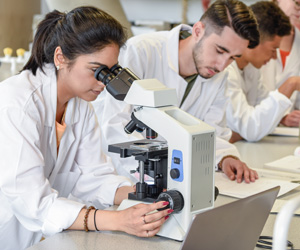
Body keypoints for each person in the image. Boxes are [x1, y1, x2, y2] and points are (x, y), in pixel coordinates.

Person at [0, 7, 171, 250]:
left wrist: (140, 193)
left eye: (109, 73)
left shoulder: (80, 105)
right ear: (60, 57)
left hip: (33, 238)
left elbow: (92, 176)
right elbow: (32, 202)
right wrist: (118, 220)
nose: (103, 83)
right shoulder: (16, 103)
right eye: (96, 70)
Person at [92, 0, 260, 184]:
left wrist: (225, 158)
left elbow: (212, 133)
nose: (222, 65)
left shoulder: (219, 75)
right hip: (120, 179)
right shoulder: (141, 51)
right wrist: (152, 180)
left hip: (173, 179)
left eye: (233, 58)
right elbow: (114, 127)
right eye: (220, 50)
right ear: (198, 31)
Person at [225, 1, 300, 143]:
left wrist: (240, 132)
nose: (274, 57)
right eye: (273, 49)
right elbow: (251, 129)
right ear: (254, 39)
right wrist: (290, 84)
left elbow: (262, 111)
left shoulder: (251, 68)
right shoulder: (226, 71)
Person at [261, 0, 300, 127]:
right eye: (296, 2)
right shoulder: (256, 41)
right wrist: (281, 117)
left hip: (289, 133)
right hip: (256, 128)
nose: (299, 7)